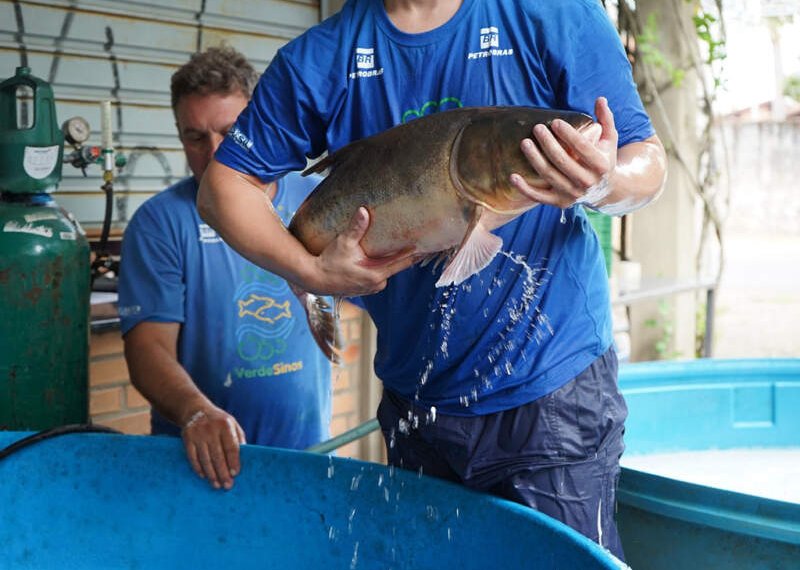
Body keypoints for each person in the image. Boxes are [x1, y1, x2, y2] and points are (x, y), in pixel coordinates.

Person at [197, 1, 667, 560]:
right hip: (418, 404)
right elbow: (223, 186)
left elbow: (646, 160)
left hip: (552, 392)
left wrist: (602, 180)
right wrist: (307, 270)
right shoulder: (316, 58)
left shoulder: (550, 12)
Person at [118, 46, 331, 491]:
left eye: (229, 132)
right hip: (203, 465)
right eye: (194, 137)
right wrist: (197, 411)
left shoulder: (318, 199)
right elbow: (148, 350)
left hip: (310, 455)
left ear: (256, 121)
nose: (212, 152)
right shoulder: (159, 223)